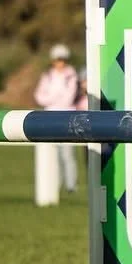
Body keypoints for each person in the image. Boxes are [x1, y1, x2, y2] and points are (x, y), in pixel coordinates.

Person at [33, 44, 81, 193]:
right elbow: (39, 96)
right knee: (50, 155)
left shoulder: (71, 75)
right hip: (49, 117)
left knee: (67, 154)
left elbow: (68, 98)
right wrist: (55, 97)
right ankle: (54, 185)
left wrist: (52, 98)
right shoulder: (47, 75)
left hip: (66, 117)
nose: (60, 63)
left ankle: (70, 185)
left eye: (62, 59)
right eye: (57, 59)